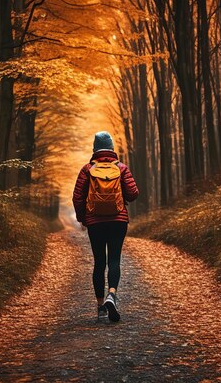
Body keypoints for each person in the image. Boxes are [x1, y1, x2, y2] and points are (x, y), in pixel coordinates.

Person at [72, 131, 139, 322]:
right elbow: (133, 193)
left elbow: (77, 197)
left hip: (95, 222)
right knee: (115, 260)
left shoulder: (87, 169)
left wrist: (83, 218)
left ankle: (101, 306)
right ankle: (112, 294)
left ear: (95, 149)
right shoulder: (122, 168)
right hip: (118, 220)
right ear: (111, 148)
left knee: (99, 262)